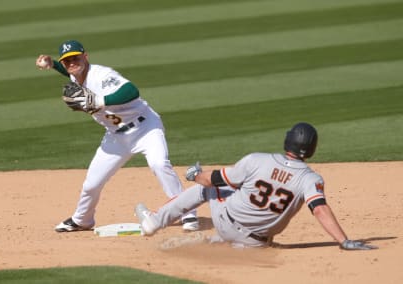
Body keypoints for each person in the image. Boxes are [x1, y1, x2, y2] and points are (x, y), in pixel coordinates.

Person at [36, 40, 198, 232]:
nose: (71, 63)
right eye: (66, 61)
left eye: (75, 58)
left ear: (85, 57)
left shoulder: (103, 75)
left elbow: (131, 91)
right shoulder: (76, 74)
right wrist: (53, 64)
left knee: (159, 164)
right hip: (116, 137)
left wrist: (99, 100)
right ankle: (82, 220)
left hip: (146, 128)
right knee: (91, 184)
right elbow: (72, 71)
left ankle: (187, 213)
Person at [135, 122, 377, 250]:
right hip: (257, 243)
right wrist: (343, 241)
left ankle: (153, 222)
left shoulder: (257, 160)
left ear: (287, 140)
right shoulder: (311, 180)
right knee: (242, 203)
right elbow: (320, 209)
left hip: (227, 223)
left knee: (206, 190)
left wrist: (195, 174)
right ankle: (224, 245)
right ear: (311, 150)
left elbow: (213, 180)